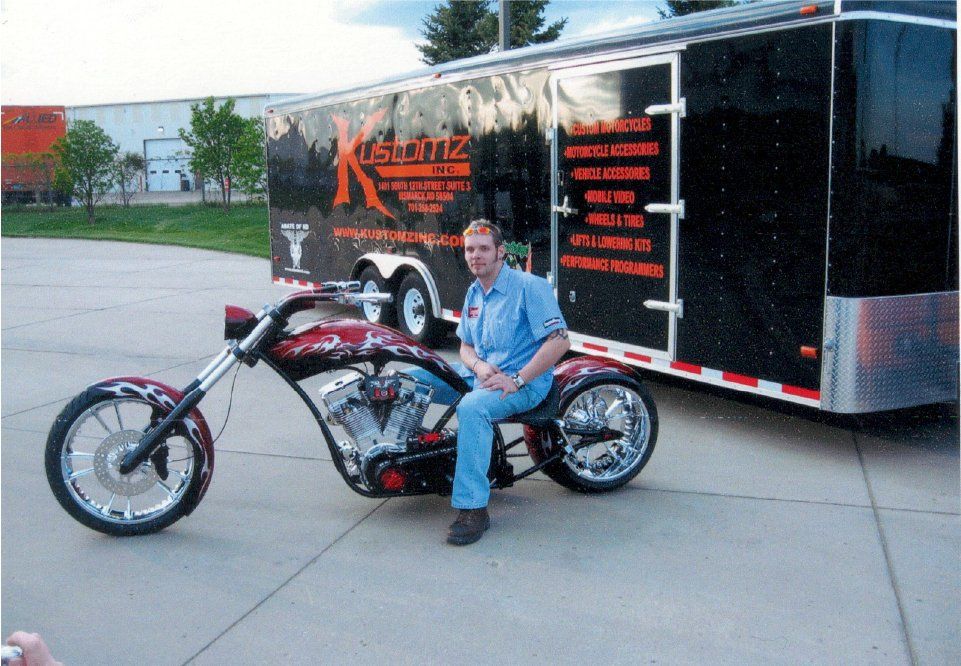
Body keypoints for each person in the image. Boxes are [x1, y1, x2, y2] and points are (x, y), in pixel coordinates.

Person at [440, 219, 570, 545]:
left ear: (500, 252)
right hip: (483, 374)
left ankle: (474, 508)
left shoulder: (529, 287)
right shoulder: (474, 292)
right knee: (412, 380)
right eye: (470, 249)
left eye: (484, 249)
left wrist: (516, 379)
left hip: (525, 381)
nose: (476, 256)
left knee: (472, 409)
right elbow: (465, 347)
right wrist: (478, 365)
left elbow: (559, 342)